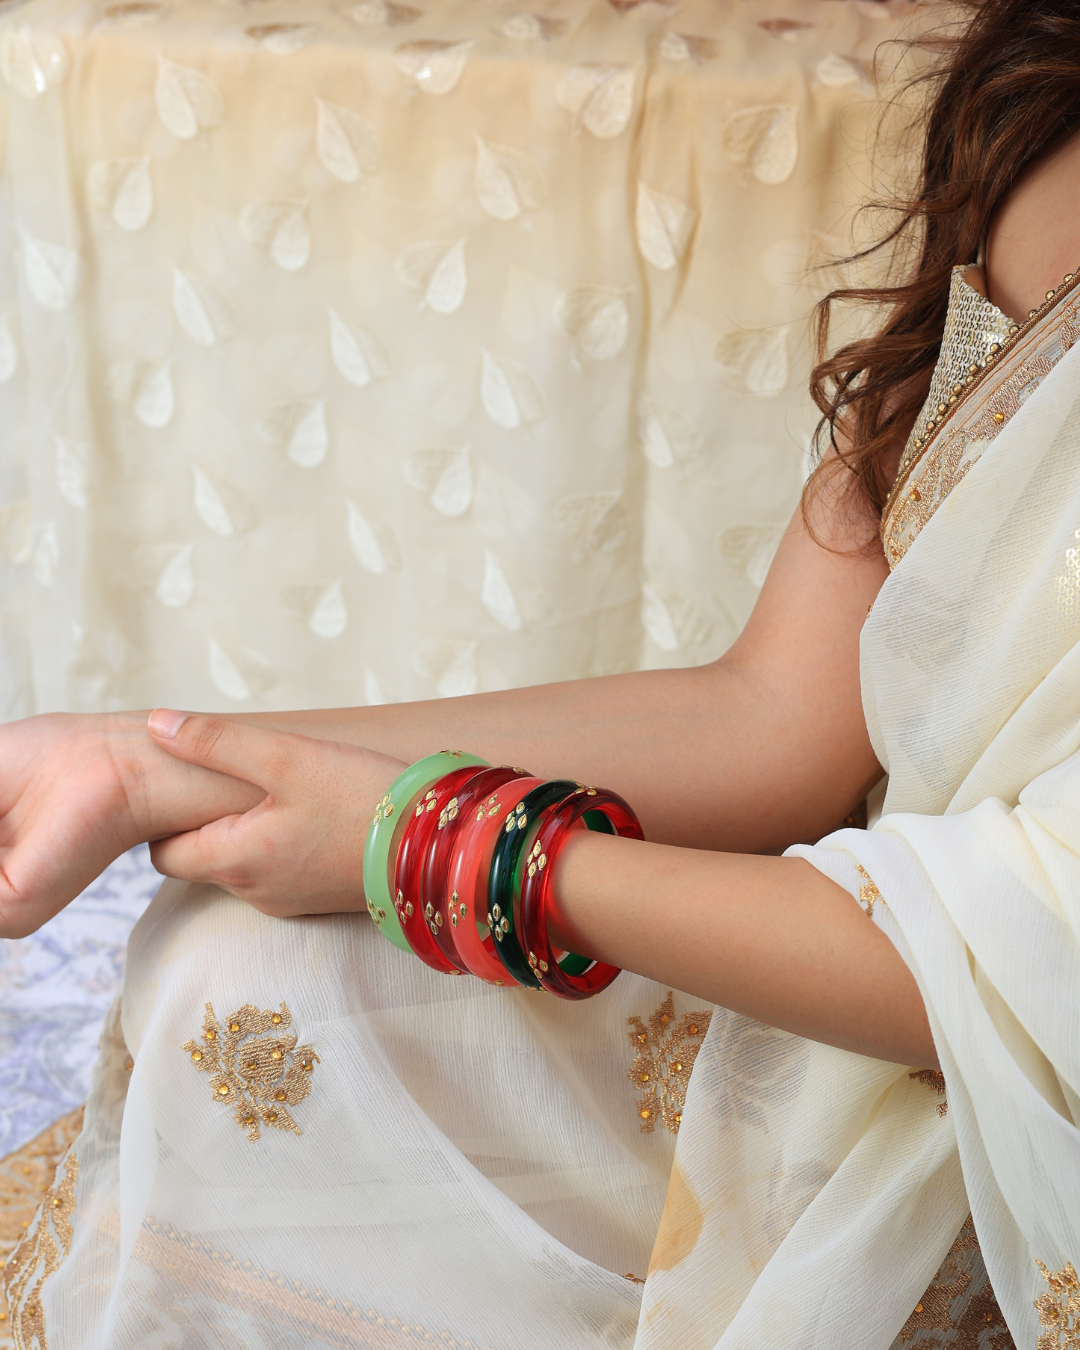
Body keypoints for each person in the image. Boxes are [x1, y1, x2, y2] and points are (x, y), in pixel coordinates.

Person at [2, 1, 1078, 1346]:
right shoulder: (1040, 95)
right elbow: (775, 713)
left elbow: (1037, 962)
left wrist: (435, 843)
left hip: (1017, 1120)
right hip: (865, 969)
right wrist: (149, 760)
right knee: (235, 958)